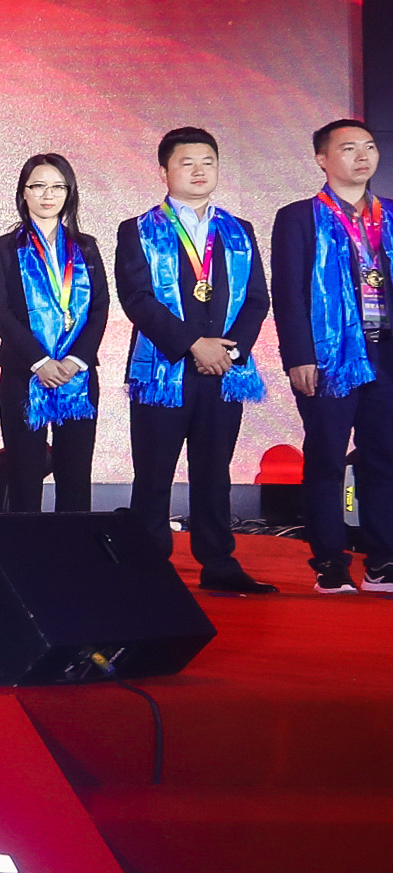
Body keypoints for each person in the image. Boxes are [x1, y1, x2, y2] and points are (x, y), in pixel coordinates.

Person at [116, 125, 274, 594]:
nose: (199, 170)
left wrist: (229, 349)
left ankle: (219, 564)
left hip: (224, 371)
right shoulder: (138, 229)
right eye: (187, 162)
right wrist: (193, 345)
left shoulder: (239, 230)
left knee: (214, 472)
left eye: (208, 162)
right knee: (154, 473)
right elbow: (137, 298)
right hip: (162, 371)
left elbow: (257, 299)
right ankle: (149, 566)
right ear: (164, 171)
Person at [271, 118, 393, 594]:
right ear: (322, 159)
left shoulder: (390, 215)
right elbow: (288, 293)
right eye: (348, 148)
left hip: (385, 353)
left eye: (369, 146)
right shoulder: (299, 217)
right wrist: (298, 356)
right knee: (326, 457)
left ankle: (382, 560)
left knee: (384, 457)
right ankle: (330, 562)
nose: (362, 156)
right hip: (329, 357)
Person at [0, 153, 107, 514]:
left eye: (57, 187)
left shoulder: (86, 247)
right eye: (38, 186)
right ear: (23, 193)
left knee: (76, 477)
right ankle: (26, 548)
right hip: (23, 374)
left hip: (77, 375)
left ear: (70, 193)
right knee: (24, 477)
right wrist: (40, 361)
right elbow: (1, 311)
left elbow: (99, 308)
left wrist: (74, 360)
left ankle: (72, 547)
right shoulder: (4, 248)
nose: (47, 195)